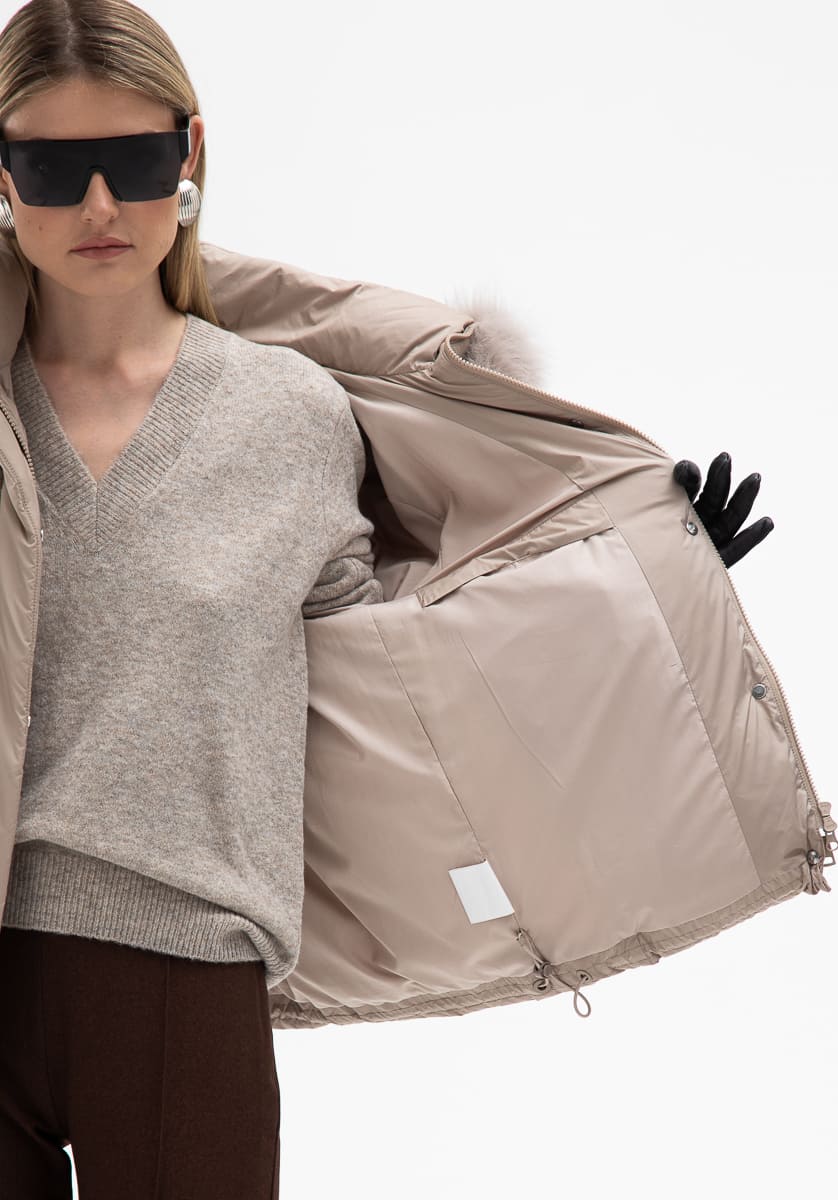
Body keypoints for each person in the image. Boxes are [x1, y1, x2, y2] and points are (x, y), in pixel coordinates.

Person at [0, 1, 381, 1196]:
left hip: (183, 976)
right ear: (1, 174)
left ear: (191, 155)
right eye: (53, 169)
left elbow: (396, 669)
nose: (98, 206)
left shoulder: (290, 418)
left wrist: (641, 565)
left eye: (134, 160)